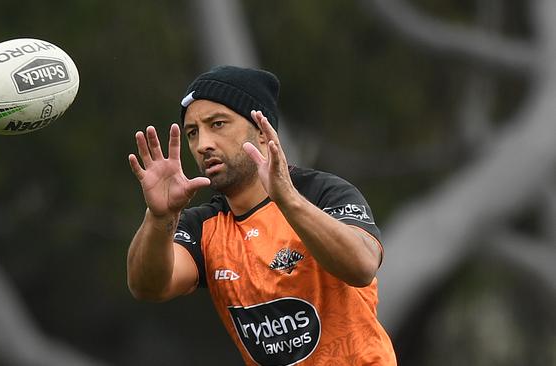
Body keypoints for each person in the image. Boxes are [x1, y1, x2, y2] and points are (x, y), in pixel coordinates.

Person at [127, 65, 397, 365]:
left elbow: (361, 266)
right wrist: (159, 216)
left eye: (217, 124)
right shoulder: (203, 226)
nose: (203, 145)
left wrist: (289, 202)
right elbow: (148, 286)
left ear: (261, 130)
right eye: (193, 133)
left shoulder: (323, 193)